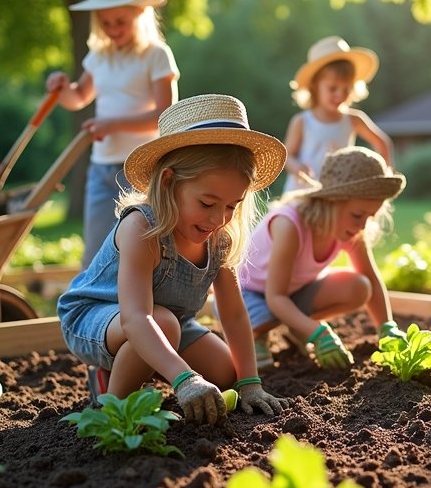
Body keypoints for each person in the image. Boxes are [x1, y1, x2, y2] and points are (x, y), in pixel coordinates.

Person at [57, 94, 290, 426]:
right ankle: (112, 405)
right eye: (207, 203)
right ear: (168, 182)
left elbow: (235, 315)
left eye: (231, 206)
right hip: (96, 319)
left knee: (226, 374)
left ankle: (144, 365)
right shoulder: (142, 228)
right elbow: (136, 318)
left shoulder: (218, 238)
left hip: (171, 324)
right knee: (161, 323)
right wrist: (185, 379)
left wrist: (250, 383)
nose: (219, 218)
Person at [47, 0, 180, 266]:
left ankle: (138, 305)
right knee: (95, 249)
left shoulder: (156, 55)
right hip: (101, 167)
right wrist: (59, 89)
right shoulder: (99, 56)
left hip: (143, 168)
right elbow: (78, 97)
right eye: (105, 23)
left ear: (139, 12)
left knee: (141, 247)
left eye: (120, 21)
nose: (113, 29)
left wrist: (113, 123)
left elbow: (166, 116)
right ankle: (94, 309)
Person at [239, 145, 406, 370]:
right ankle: (256, 334)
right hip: (248, 294)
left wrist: (387, 327)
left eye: (370, 216)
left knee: (360, 287)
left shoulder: (350, 228)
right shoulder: (289, 225)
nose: (362, 225)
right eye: (357, 215)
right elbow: (275, 297)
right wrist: (319, 333)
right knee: (269, 316)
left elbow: (371, 279)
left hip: (292, 292)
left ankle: (299, 327)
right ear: (332, 201)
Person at [283, 36, 394, 194]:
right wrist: (297, 167)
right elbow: (287, 156)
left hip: (338, 195)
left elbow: (382, 143)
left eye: (346, 89)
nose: (340, 95)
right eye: (332, 88)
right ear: (315, 85)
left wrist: (382, 178)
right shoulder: (302, 121)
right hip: (302, 194)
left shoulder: (354, 119)